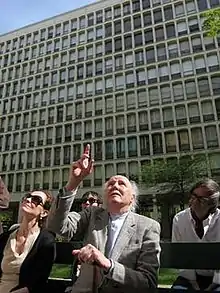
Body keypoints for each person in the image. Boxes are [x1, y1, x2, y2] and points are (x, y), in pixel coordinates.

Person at [48, 144, 161, 293]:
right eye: (110, 184)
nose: (115, 185)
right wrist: (73, 182)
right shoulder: (92, 214)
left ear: (132, 198)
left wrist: (108, 265)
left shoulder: (148, 226)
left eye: (121, 184)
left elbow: (148, 282)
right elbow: (57, 226)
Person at [0, 189, 56, 293]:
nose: (28, 199)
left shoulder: (45, 240)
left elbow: (39, 281)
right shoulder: (5, 238)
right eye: (28, 196)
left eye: (36, 199)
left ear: (44, 212)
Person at [172, 179, 220, 291]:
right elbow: (180, 254)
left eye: (201, 199)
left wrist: (214, 284)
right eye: (194, 196)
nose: (194, 201)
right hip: (189, 277)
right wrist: (193, 282)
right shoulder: (179, 219)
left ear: (211, 203)